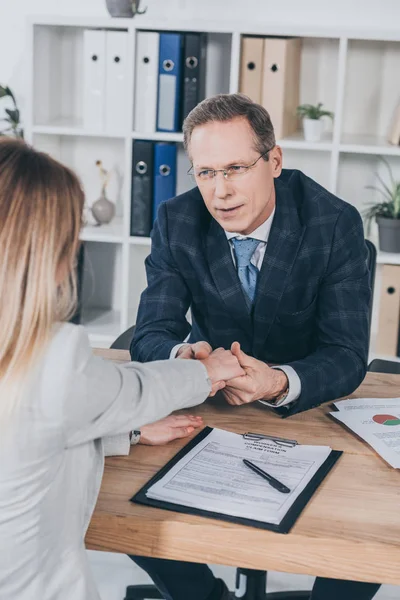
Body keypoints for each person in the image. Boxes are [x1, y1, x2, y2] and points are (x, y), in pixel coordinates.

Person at [128, 94, 380, 599]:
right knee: (120, 497)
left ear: (275, 161)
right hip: (214, 407)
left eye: (236, 168)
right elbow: (151, 331)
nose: (220, 192)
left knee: (372, 536)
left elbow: (347, 352)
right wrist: (188, 359)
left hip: (312, 412)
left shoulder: (333, 223)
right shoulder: (177, 221)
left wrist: (278, 380)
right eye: (205, 173)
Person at [0, 138, 244, 600]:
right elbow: (135, 388)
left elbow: (26, 434)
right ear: (49, 253)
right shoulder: (51, 357)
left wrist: (125, 432)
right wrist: (210, 369)